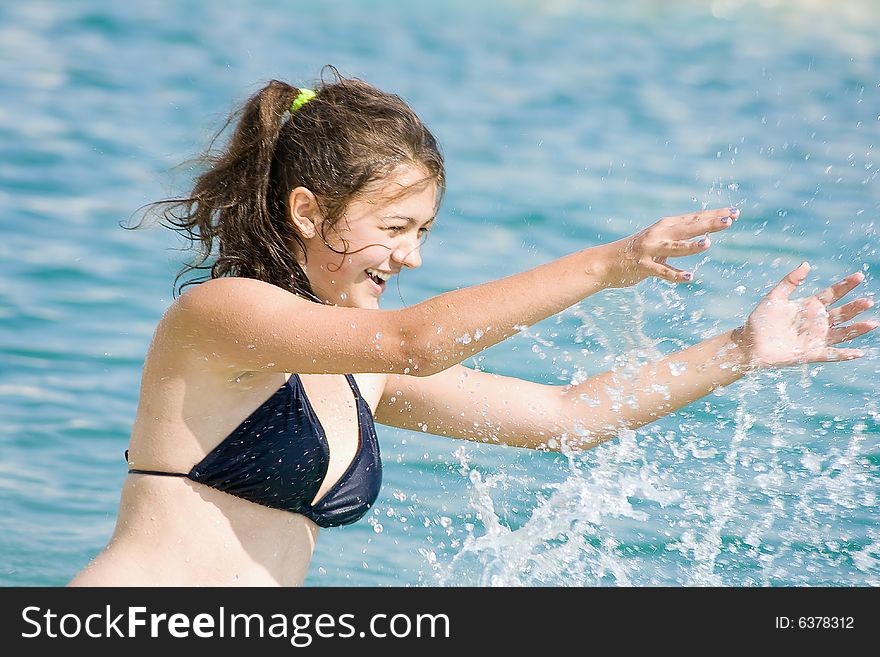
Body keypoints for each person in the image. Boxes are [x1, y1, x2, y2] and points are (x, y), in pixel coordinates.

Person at [69, 73, 877, 587]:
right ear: (308, 211)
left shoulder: (360, 372)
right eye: (396, 225)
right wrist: (607, 263)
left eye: (425, 232)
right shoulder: (220, 316)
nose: (412, 256)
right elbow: (413, 341)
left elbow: (570, 418)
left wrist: (738, 350)